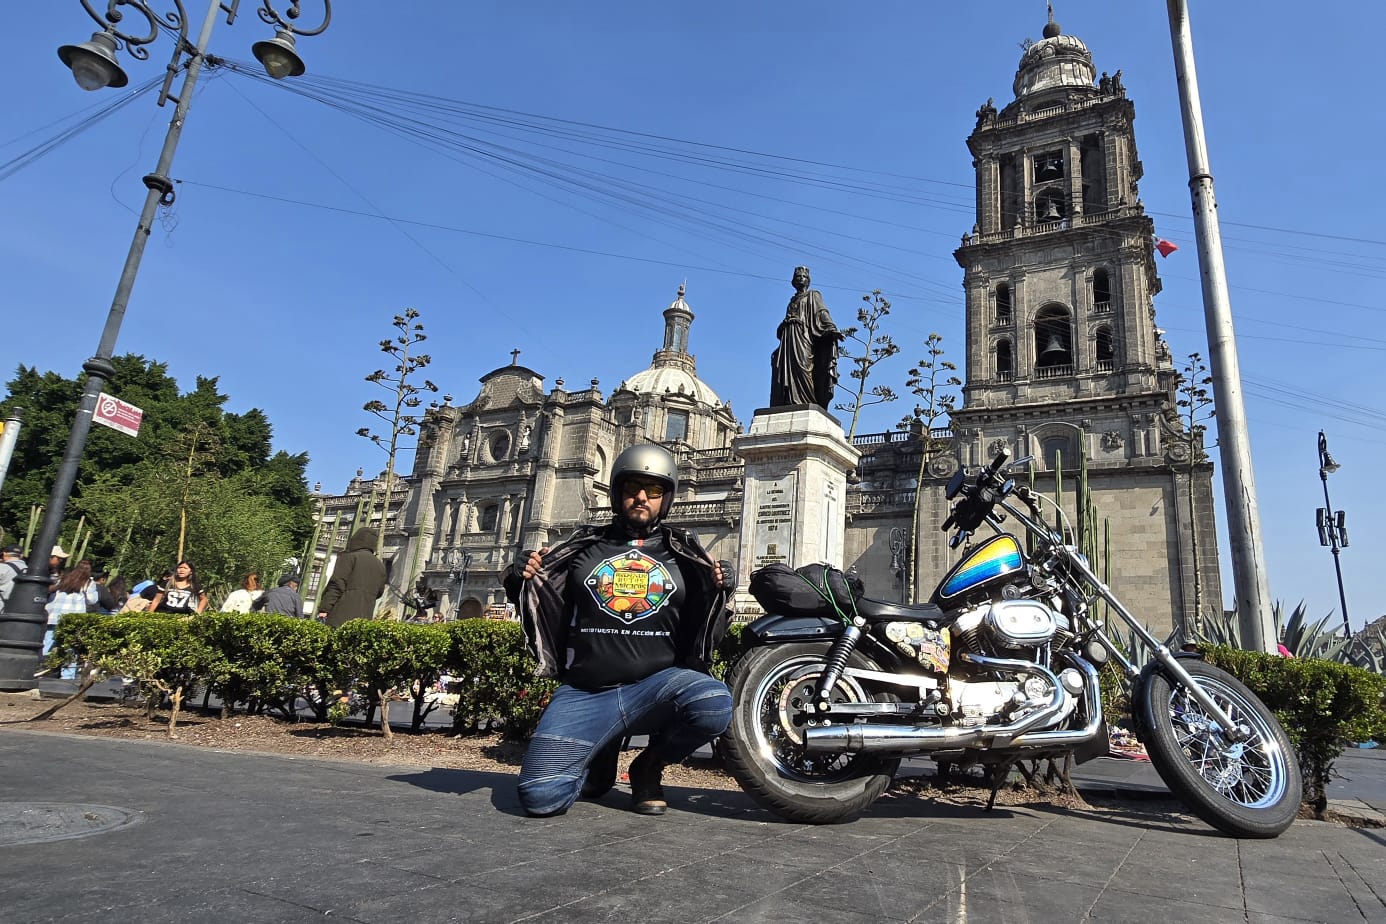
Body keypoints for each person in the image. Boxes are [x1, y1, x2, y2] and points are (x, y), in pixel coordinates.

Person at [504, 443, 735, 818]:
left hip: (657, 688)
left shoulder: (687, 555)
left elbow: (710, 620)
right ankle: (601, 747)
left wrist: (722, 588)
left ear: (668, 497)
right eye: (631, 488)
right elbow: (541, 596)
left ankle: (648, 767)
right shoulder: (582, 546)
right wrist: (519, 578)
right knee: (541, 797)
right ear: (616, 493)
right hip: (586, 691)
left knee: (714, 703)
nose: (641, 497)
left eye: (654, 490)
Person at [769, 265, 843, 409]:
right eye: (797, 277)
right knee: (783, 368)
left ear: (808, 280)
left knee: (804, 367)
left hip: (803, 338)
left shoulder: (813, 295)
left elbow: (821, 312)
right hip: (789, 338)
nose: (800, 279)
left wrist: (831, 327)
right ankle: (789, 400)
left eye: (803, 277)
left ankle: (807, 399)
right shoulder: (791, 301)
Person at [318, 528, 387, 628]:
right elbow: (379, 592)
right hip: (365, 617)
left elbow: (337, 584)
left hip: (340, 614)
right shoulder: (380, 566)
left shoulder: (349, 557)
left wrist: (324, 609)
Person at [44, 559, 98, 658]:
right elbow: (92, 600)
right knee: (70, 647)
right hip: (73, 617)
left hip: (55, 614)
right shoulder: (88, 583)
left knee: (48, 641)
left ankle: (39, 664)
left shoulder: (65, 578)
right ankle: (67, 673)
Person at [0, 544, 27, 613]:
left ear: (4, 554)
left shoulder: (2, 568)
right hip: (18, 612)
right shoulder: (29, 571)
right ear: (21, 556)